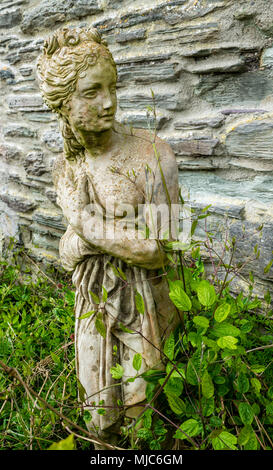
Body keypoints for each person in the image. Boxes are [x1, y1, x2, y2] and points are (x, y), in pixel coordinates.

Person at [37, 26, 179, 447]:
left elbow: (161, 249)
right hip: (91, 308)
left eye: (112, 87)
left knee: (143, 417)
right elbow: (66, 256)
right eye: (92, 91)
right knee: (99, 414)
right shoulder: (67, 169)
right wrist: (82, 235)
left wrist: (85, 223)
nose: (109, 101)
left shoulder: (152, 153)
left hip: (146, 306)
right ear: (63, 104)